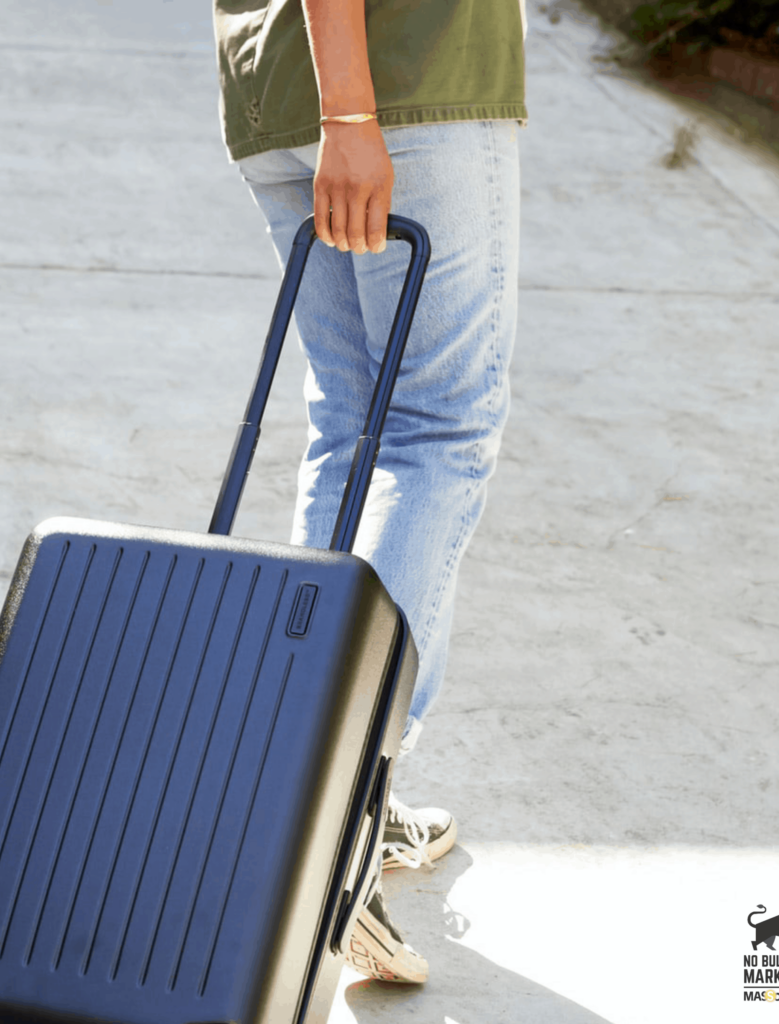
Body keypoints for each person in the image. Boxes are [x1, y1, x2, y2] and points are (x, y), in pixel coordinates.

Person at [213, 0, 528, 985]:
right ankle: (332, 805)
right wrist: (353, 113)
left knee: (355, 431)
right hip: (397, 78)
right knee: (436, 433)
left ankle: (301, 793)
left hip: (278, 81)